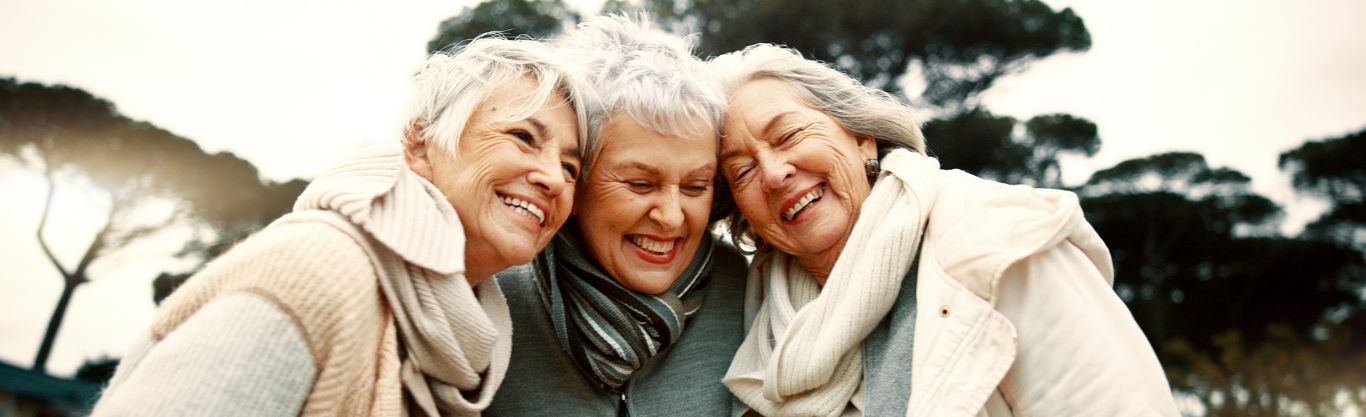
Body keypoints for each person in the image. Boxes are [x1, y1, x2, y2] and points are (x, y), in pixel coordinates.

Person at [90, 37, 590, 417]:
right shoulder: (314, 272)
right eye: (523, 137)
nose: (552, 179)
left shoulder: (474, 343)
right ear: (419, 144)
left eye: (571, 167)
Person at [708, 43, 1181, 416]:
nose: (773, 173)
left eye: (788, 135)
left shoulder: (1000, 243)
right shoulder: (751, 318)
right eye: (742, 172)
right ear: (743, 214)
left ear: (861, 138)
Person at [485, 15, 749, 417]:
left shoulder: (744, 291)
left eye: (696, 186)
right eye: (640, 184)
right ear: (576, 180)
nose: (671, 216)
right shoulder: (494, 292)